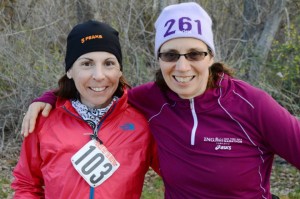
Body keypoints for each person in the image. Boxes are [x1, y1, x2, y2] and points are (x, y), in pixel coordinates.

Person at [21, 2, 300, 199]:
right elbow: (97, 90)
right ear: (159, 58)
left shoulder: (252, 104)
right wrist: (50, 98)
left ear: (211, 56)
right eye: (170, 55)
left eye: (194, 54)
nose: (182, 67)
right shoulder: (149, 101)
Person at [11, 20, 159, 199]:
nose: (99, 75)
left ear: (119, 70)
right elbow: (26, 185)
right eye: (87, 64)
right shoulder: (43, 120)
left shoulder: (143, 123)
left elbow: (180, 176)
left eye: (109, 63)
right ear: (70, 71)